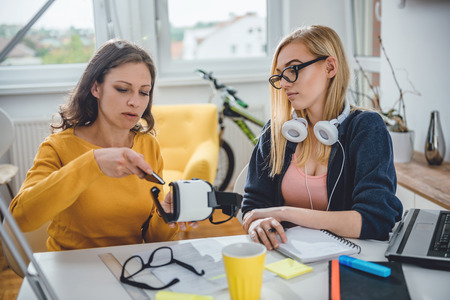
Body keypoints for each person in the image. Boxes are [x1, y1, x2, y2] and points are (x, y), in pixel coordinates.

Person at [9, 39, 196, 251]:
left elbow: (153, 240)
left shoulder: (148, 146)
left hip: (130, 265)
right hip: (73, 269)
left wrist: (166, 215)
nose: (135, 102)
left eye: (144, 92)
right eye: (123, 89)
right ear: (96, 88)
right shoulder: (58, 147)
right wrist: (93, 162)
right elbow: (20, 220)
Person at [241, 25, 403, 250]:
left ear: (329, 67)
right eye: (280, 74)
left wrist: (284, 212)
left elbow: (375, 220)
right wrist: (256, 223)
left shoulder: (366, 128)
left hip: (349, 259)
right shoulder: (276, 132)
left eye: (293, 69)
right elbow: (252, 207)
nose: (285, 83)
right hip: (284, 257)